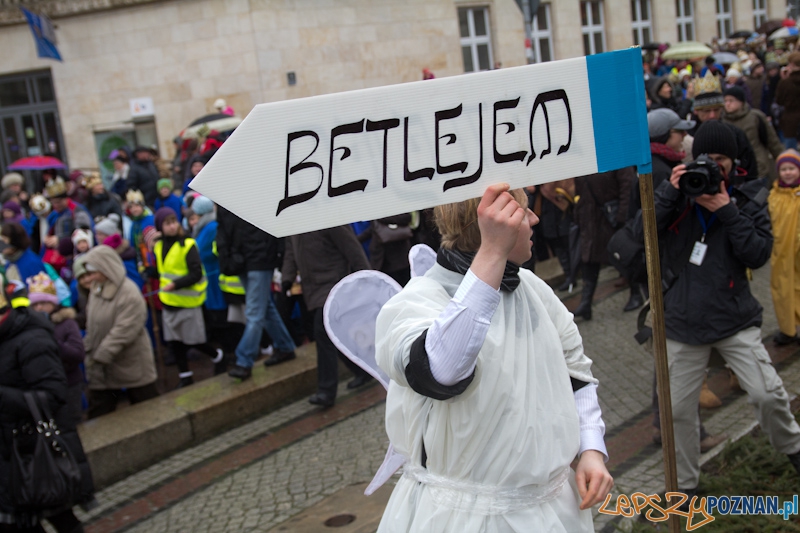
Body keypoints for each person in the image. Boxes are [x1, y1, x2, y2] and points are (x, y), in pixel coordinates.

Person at [375, 184, 613, 532]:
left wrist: (591, 447)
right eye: (521, 212)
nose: (534, 219)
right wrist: (491, 253)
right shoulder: (416, 301)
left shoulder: (534, 289)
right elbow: (442, 371)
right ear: (492, 228)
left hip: (553, 513)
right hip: (460, 520)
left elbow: (575, 374)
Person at [633, 120, 800, 502]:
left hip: (733, 318)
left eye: (720, 159)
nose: (712, 166)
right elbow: (640, 232)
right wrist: (669, 192)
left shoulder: (750, 197)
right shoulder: (677, 194)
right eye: (704, 158)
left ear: (733, 161)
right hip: (682, 321)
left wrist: (727, 210)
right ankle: (687, 489)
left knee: (768, 394)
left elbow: (758, 254)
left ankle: (794, 451)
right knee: (676, 413)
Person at [0, 271, 95, 533]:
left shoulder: (32, 338)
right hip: (7, 455)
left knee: (62, 520)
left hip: (35, 452)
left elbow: (53, 396)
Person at [281, 225, 373, 406]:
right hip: (313, 288)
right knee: (337, 335)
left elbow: (352, 249)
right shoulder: (291, 223)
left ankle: (326, 390)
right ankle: (363, 370)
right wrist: (287, 279)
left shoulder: (328, 219)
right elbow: (291, 253)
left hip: (333, 285)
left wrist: (367, 277)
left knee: (322, 332)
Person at [217, 205, 296, 380]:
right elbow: (223, 230)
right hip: (244, 260)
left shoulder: (241, 195)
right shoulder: (227, 198)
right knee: (263, 307)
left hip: (258, 259)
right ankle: (285, 346)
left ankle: (244, 360)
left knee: (254, 311)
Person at [82, 245, 159, 417]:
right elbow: (92, 322)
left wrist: (102, 353)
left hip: (130, 362)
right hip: (104, 366)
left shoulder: (129, 292)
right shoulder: (96, 289)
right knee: (100, 410)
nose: (90, 278)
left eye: (93, 272)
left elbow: (125, 328)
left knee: (146, 410)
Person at [152, 207, 223, 387]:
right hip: (169, 302)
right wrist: (149, 272)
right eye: (167, 223)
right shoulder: (159, 246)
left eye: (174, 222)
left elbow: (196, 273)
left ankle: (217, 356)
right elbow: (164, 270)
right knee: (175, 343)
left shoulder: (188, 244)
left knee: (194, 341)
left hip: (188, 302)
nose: (172, 226)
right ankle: (185, 375)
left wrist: (175, 285)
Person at [572, 167, 634, 319]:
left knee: (623, 257)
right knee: (589, 260)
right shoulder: (584, 161)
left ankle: (636, 292)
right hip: (590, 219)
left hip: (610, 219)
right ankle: (585, 303)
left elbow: (627, 187)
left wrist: (622, 216)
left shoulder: (615, 155)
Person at [26, 272, 85, 427]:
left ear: (53, 302)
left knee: (73, 422)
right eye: (35, 305)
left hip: (69, 382)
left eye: (43, 303)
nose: (39, 308)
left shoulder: (66, 323)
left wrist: (52, 341)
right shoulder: (30, 327)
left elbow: (77, 353)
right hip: (44, 387)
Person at [768, 149, 800, 345]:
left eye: (792, 168)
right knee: (781, 289)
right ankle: (787, 328)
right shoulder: (774, 195)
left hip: (797, 252)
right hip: (781, 253)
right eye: (784, 169)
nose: (788, 173)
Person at [722, 86, 784, 184]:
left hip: (760, 167)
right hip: (735, 172)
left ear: (741, 102)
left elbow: (773, 142)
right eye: (725, 101)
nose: (728, 104)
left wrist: (784, 162)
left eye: (731, 100)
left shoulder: (755, 117)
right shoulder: (722, 121)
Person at [775, 52, 800, 150]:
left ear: (792, 64)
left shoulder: (785, 83)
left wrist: (783, 79)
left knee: (791, 153)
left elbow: (779, 100)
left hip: (790, 121)